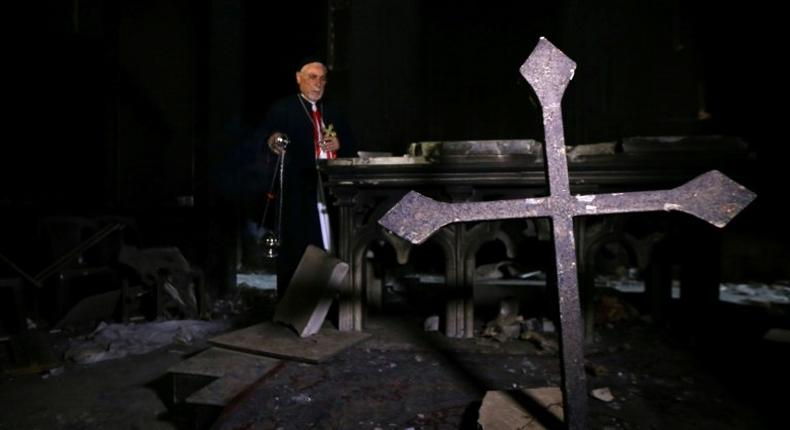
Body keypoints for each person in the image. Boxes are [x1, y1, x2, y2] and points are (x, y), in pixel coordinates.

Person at [257, 57, 356, 297]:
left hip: (329, 188)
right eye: (312, 77)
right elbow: (268, 138)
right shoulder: (283, 108)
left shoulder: (332, 111)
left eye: (322, 79)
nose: (318, 83)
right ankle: (294, 302)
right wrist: (273, 142)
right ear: (298, 78)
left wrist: (340, 143)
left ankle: (329, 300)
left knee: (331, 242)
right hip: (297, 188)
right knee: (298, 244)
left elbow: (352, 144)